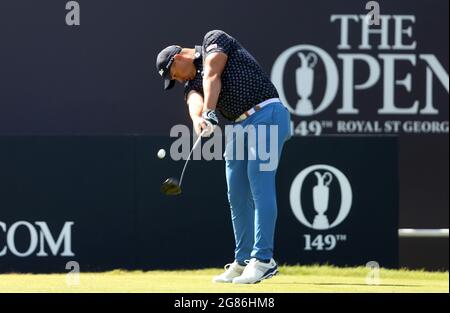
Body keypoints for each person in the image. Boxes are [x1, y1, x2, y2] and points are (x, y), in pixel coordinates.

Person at [156, 30, 291, 284]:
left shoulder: (213, 40)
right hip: (239, 126)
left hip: (267, 113)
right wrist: (198, 119)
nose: (177, 79)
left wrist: (209, 110)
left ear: (178, 58)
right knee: (236, 192)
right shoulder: (193, 82)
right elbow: (193, 99)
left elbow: (213, 73)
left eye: (173, 74)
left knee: (259, 183)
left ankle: (263, 260)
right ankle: (242, 261)